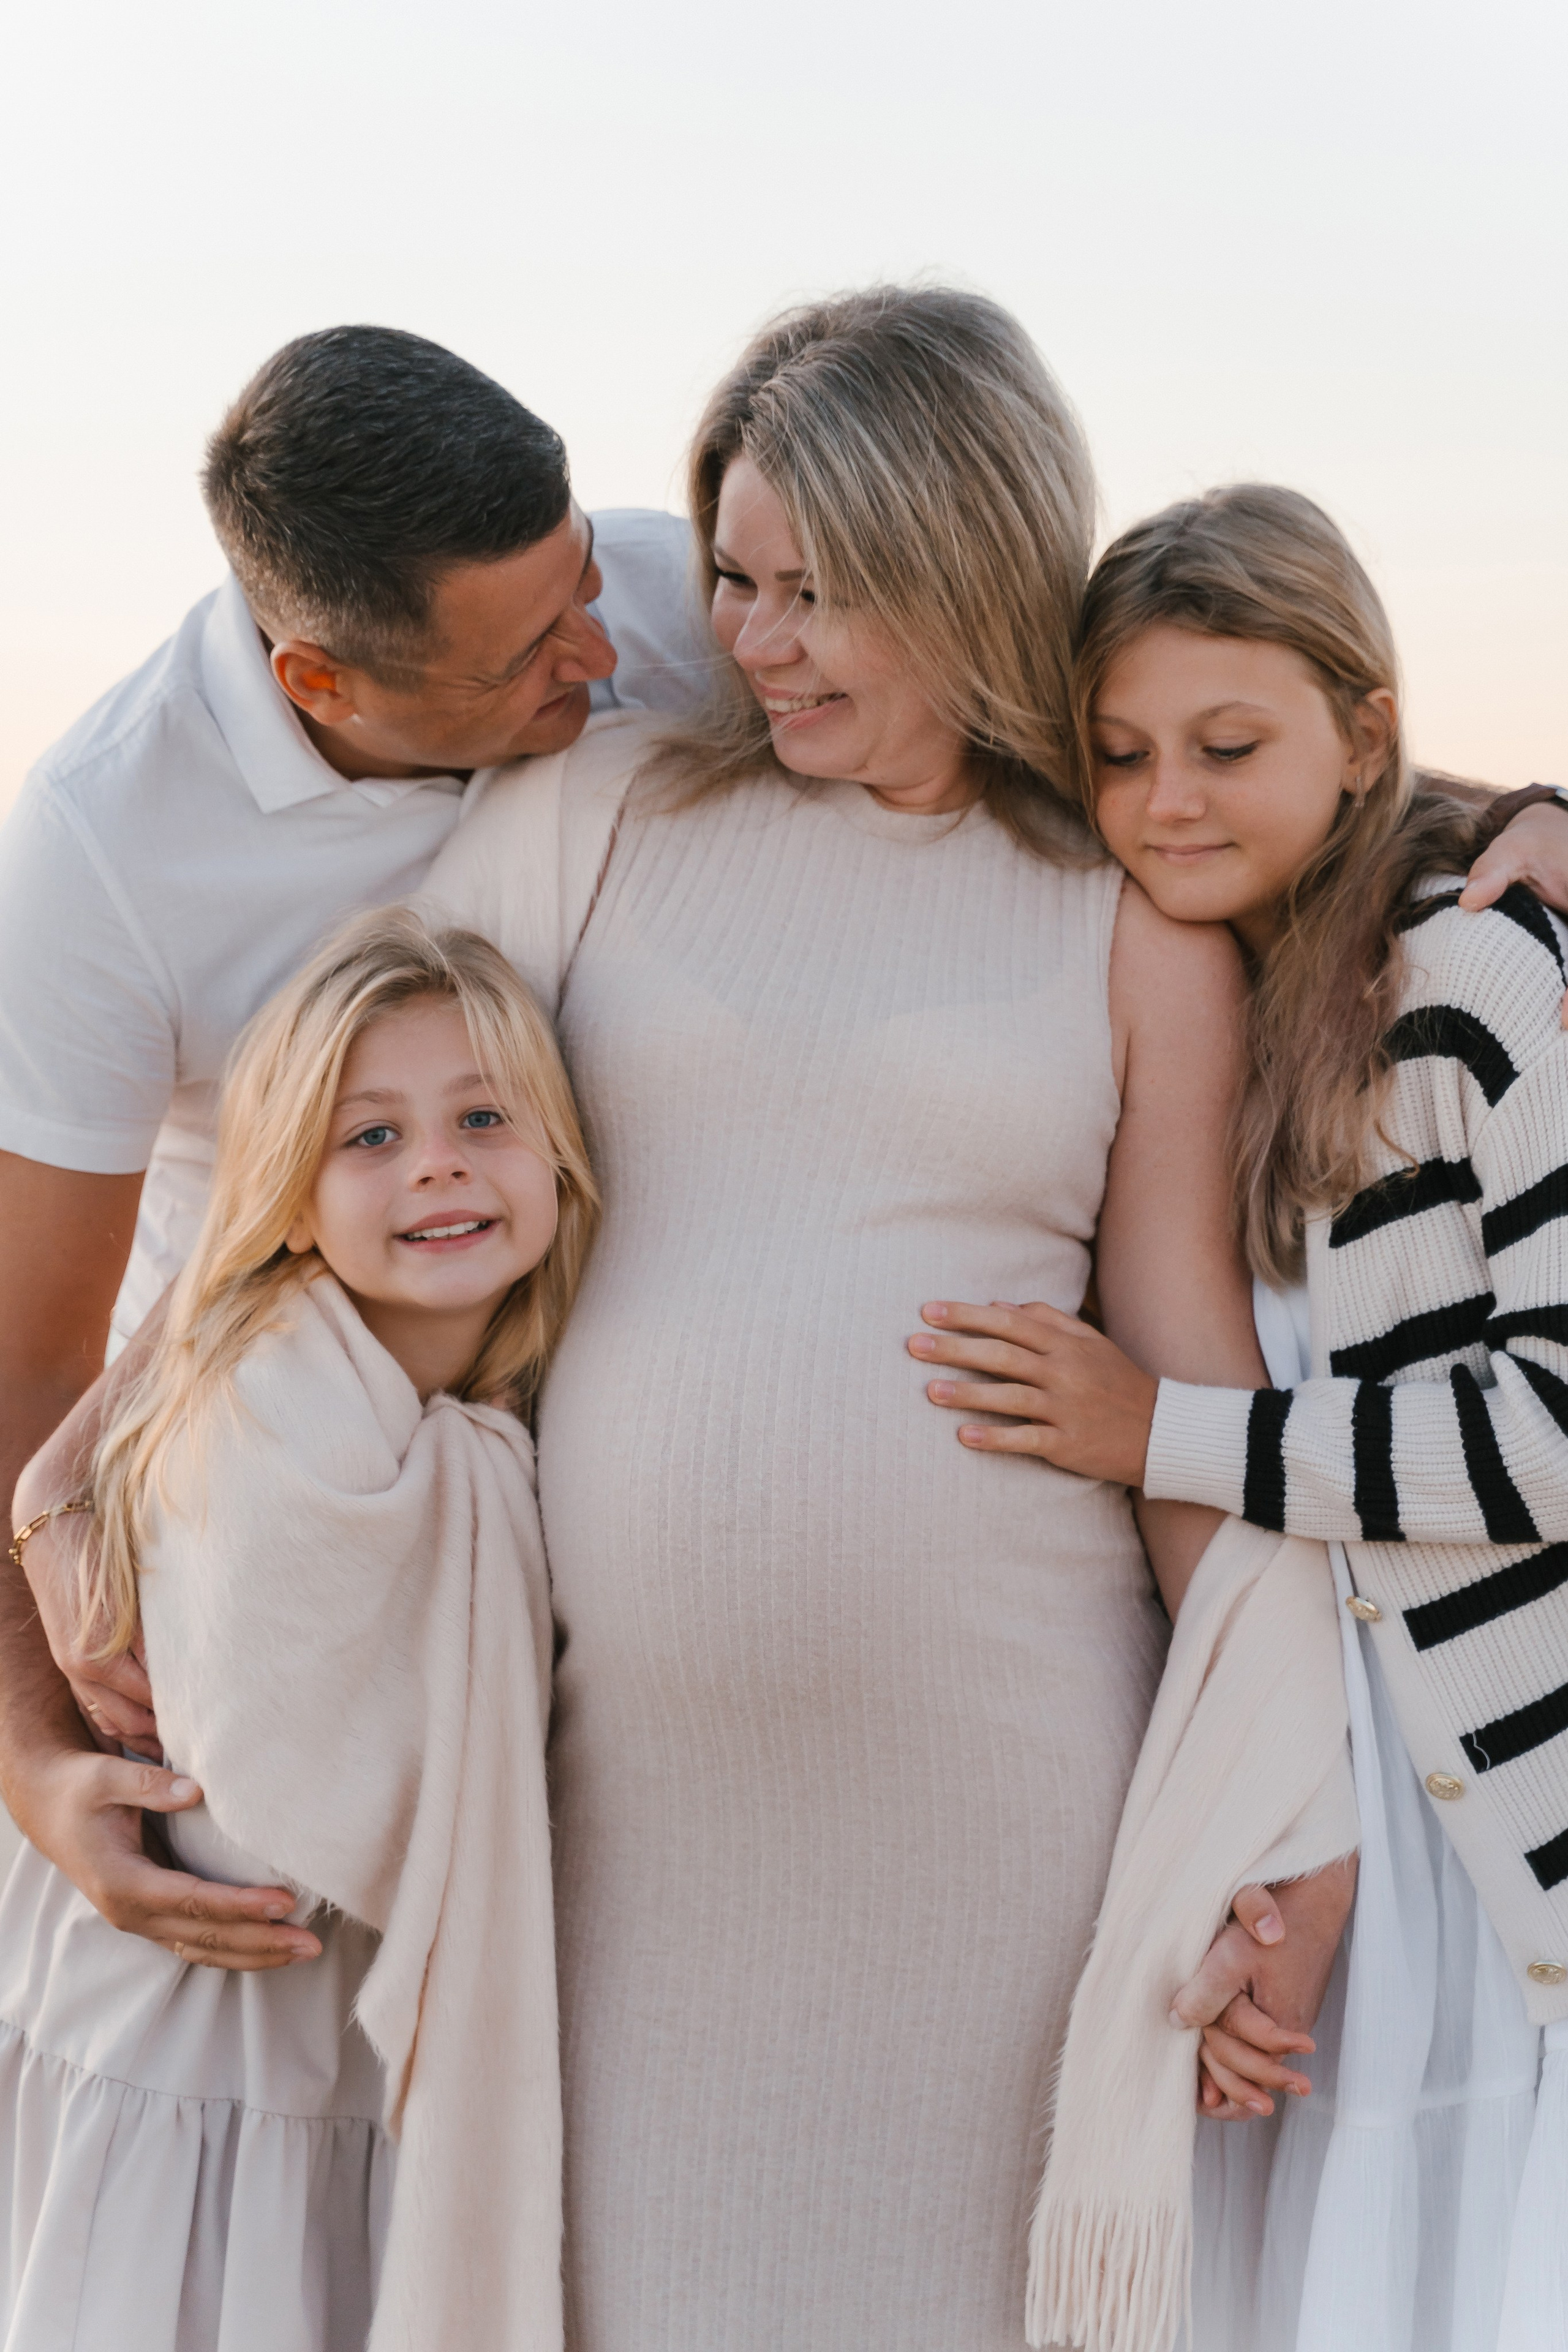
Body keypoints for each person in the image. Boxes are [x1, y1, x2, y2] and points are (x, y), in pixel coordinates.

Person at [417, 283, 1276, 2350]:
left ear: (970, 567)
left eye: (829, 591)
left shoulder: (1126, 914)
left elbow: (1203, 1396)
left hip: (1002, 1822)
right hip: (634, 1819)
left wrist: (1282, 1841)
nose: (763, 640)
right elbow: (330, 1147)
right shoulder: (603, 817)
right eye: (735, 578)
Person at [915, 481, 1568, 2348]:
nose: (1166, 801)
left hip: (1499, 1835)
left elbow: (1549, 1433)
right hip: (1341, 1785)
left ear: (1365, 735)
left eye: (1228, 745)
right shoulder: (1236, 987)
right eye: (1120, 754)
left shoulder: (1476, 979)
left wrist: (1165, 1434)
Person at [0, 323, 704, 1966]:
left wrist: (1410, 810)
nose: (605, 656)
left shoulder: (668, 598)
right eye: (525, 656)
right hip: (272, 1569)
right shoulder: (100, 853)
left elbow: (1079, 688)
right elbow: (28, 1367)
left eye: (585, 579)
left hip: (593, 1542)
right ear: (320, 678)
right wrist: (36, 1762)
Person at [1, 907, 594, 2346]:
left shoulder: (508, 1419)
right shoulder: (267, 1405)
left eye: (481, 1115)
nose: (438, 1160)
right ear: (286, 1192)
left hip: (347, 2050)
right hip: (201, 2013)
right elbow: (280, 1799)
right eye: (369, 1138)